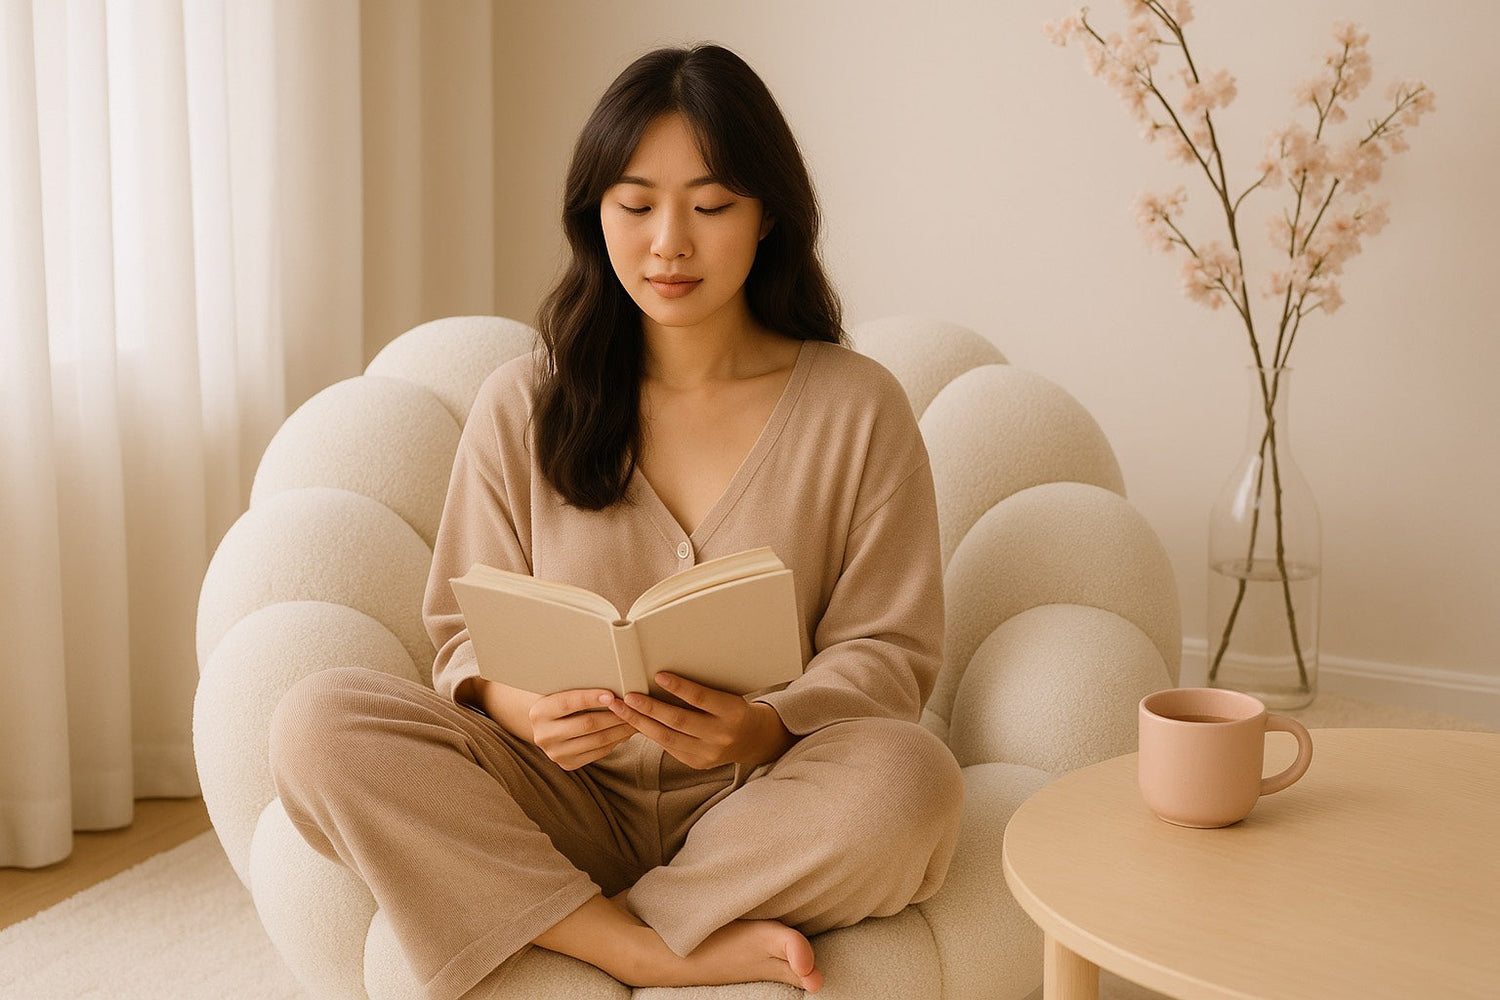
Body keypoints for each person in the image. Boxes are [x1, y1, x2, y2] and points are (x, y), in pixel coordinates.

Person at [269, 43, 963, 999]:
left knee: (912, 782)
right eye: (635, 206)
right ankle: (633, 947)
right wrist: (528, 710)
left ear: (768, 216)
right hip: (554, 800)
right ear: (595, 216)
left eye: (710, 206)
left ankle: (583, 914)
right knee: (316, 723)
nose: (669, 243)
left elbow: (890, 649)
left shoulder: (857, 407)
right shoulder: (524, 404)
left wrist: (761, 730)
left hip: (764, 805)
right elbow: (463, 636)